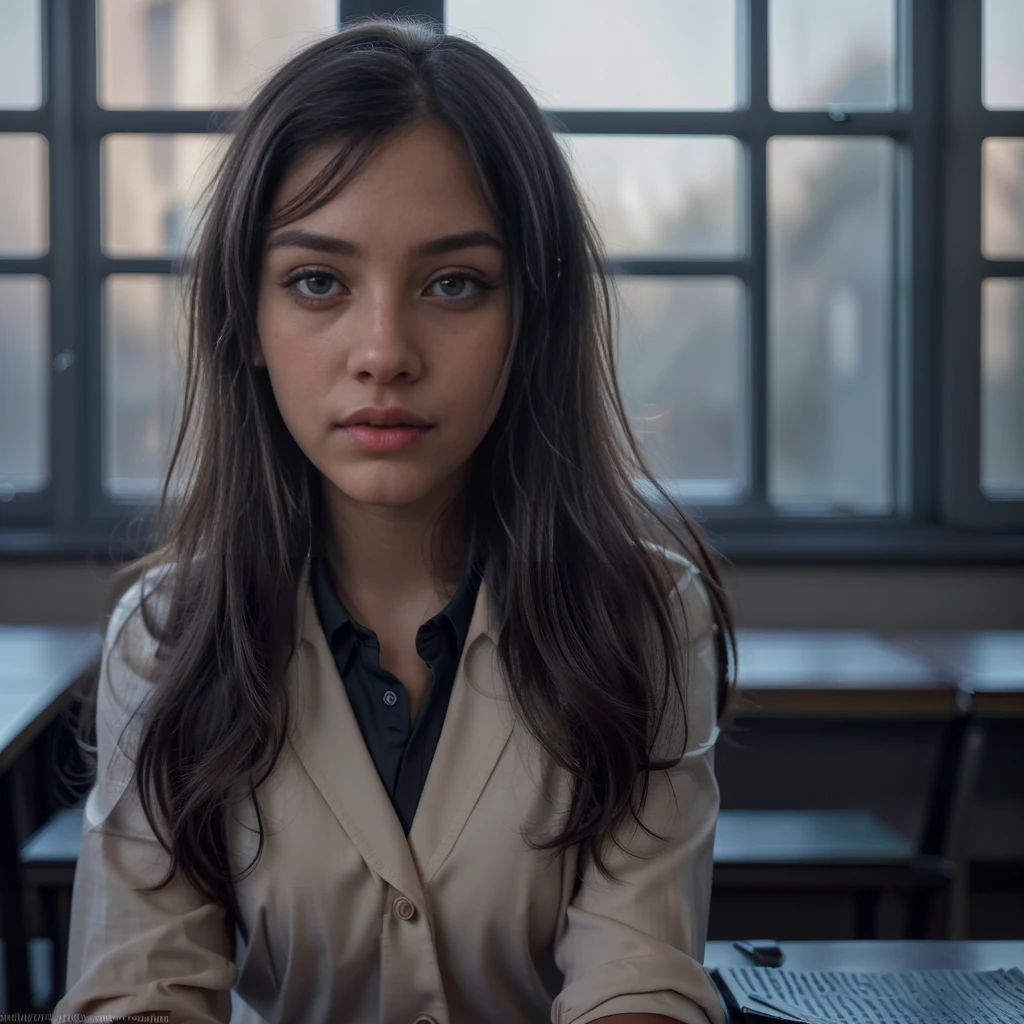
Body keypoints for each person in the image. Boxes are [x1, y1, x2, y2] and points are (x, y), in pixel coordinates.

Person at [56, 16, 736, 1024]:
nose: (383, 351)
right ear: (247, 318)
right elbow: (137, 990)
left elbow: (638, 985)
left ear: (531, 320)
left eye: (454, 283)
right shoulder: (164, 639)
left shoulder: (645, 618)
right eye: (317, 281)